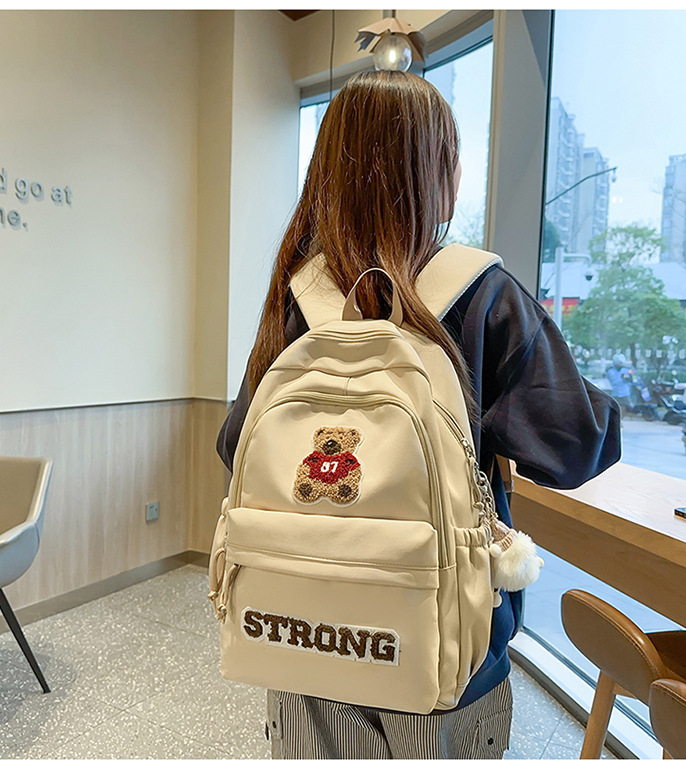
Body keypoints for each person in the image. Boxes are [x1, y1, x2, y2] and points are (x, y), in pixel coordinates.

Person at [216, 70, 621, 760]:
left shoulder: (301, 291)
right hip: (440, 656)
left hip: (299, 638)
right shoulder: (481, 293)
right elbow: (574, 446)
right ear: (438, 171)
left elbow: (237, 446)